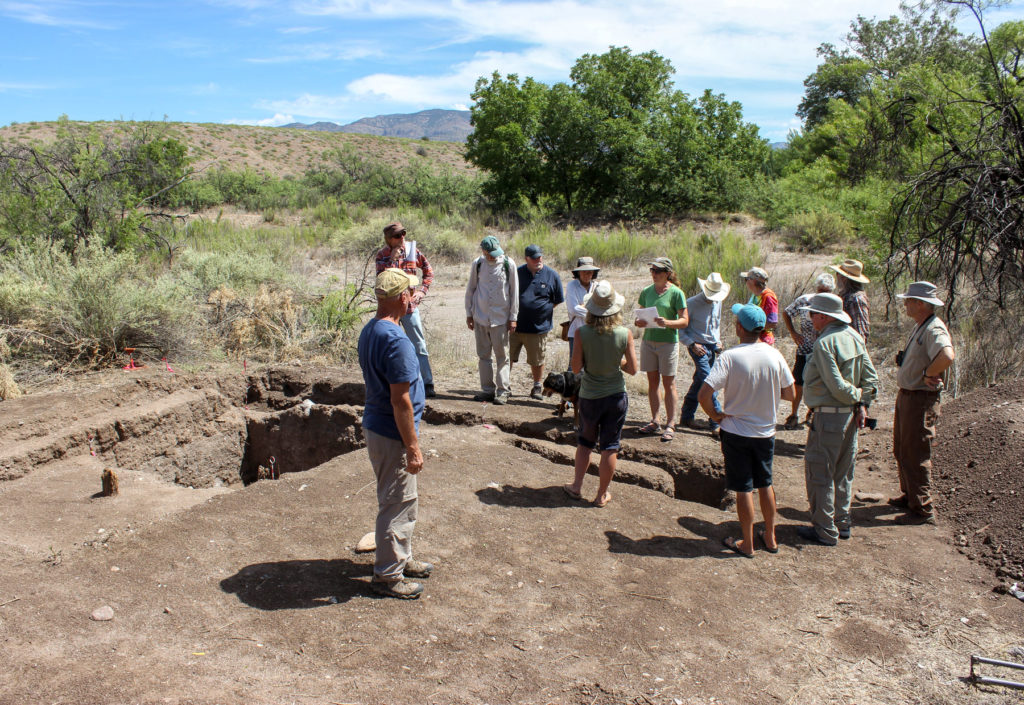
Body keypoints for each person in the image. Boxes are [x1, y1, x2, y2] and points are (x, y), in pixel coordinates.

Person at [357, 268, 432, 599]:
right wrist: (413, 447)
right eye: (411, 294)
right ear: (402, 297)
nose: (413, 298)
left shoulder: (371, 329)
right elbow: (400, 400)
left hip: (377, 426)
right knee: (398, 503)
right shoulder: (396, 340)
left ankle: (402, 558)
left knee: (399, 499)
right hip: (392, 432)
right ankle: (387, 577)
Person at [699, 304, 795, 557]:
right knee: (766, 484)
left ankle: (748, 543)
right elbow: (790, 393)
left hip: (736, 431)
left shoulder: (730, 356)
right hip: (765, 432)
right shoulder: (774, 355)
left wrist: (716, 416)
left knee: (743, 488)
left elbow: (705, 394)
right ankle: (771, 537)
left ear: (740, 327)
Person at [797, 293, 879, 546]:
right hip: (850, 419)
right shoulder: (854, 336)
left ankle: (825, 530)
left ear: (823, 316)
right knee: (843, 473)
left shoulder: (825, 343)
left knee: (820, 473)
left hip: (829, 418)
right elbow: (872, 380)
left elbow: (837, 387)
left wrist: (855, 398)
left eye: (812, 314)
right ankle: (842, 523)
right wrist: (862, 403)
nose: (811, 319)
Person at [563, 280, 639, 508]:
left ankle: (576, 486)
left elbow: (575, 369)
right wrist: (619, 361)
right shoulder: (625, 334)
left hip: (589, 396)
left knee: (585, 443)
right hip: (615, 396)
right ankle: (601, 494)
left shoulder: (582, 333)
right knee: (610, 446)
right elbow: (633, 369)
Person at [890, 281, 955, 525]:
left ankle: (923, 509)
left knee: (916, 451)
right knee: (902, 449)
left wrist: (929, 373)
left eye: (909, 300)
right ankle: (910, 497)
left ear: (921, 304)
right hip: (908, 395)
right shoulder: (922, 325)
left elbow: (947, 355)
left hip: (920, 398)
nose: (905, 304)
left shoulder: (933, 328)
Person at [375, 222, 437, 397]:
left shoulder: (413, 251)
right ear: (388, 239)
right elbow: (382, 279)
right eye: (397, 235)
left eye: (403, 234)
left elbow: (428, 271)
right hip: (389, 309)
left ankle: (427, 383)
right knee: (388, 344)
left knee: (419, 345)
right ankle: (391, 381)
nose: (402, 238)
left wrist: (421, 292)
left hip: (409, 307)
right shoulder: (382, 255)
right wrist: (392, 260)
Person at [635, 257, 689, 442]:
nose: (654, 274)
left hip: (668, 343)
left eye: (658, 271)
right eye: (652, 270)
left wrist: (667, 323)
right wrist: (639, 322)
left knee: (669, 383)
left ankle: (671, 423)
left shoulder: (676, 293)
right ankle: (655, 420)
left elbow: (684, 321)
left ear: (667, 273)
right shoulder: (646, 291)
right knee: (652, 382)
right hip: (649, 341)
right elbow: (640, 314)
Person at [465, 236, 518, 405]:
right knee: (484, 356)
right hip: (480, 318)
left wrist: (513, 317)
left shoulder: (509, 264)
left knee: (502, 357)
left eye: (495, 254)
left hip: (501, 320)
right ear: (484, 251)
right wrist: (469, 314)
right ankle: (487, 390)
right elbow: (471, 289)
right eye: (490, 254)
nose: (493, 257)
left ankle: (503, 391)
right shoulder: (478, 264)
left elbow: (514, 292)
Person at [781, 273, 836, 429]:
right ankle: (794, 414)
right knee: (798, 382)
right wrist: (793, 332)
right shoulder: (805, 300)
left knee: (820, 382)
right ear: (816, 289)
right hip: (805, 348)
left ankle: (813, 413)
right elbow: (786, 312)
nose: (823, 294)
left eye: (827, 291)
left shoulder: (834, 305)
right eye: (821, 290)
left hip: (824, 351)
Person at [678, 272, 730, 439]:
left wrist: (718, 341)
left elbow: (716, 324)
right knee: (710, 380)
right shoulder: (691, 303)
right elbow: (681, 330)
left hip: (711, 347)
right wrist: (692, 344)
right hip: (697, 347)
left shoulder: (718, 302)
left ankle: (686, 416)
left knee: (700, 380)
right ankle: (716, 421)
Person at [510, 244, 564, 399]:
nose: (538, 260)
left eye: (540, 257)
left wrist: (541, 311)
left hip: (538, 328)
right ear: (526, 258)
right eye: (534, 258)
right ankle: (504, 386)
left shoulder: (551, 275)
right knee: (507, 358)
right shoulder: (517, 273)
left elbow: (557, 299)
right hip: (514, 326)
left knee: (537, 360)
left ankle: (537, 386)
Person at [565, 257, 600, 366]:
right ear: (578, 273)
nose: (587, 275)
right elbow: (573, 309)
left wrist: (584, 307)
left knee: (593, 365)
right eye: (584, 272)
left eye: (590, 272)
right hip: (576, 332)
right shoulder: (571, 286)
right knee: (575, 367)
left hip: (595, 333)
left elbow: (603, 308)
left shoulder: (598, 286)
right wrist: (593, 311)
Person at [829, 259, 870, 341]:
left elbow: (860, 332)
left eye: (838, 274)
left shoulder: (856, 299)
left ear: (844, 278)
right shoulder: (844, 296)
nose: (836, 276)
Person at [740, 266, 778, 345]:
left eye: (746, 279)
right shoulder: (755, 295)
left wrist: (751, 328)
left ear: (753, 281)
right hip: (752, 340)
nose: (745, 282)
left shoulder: (768, 297)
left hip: (763, 342)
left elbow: (772, 323)